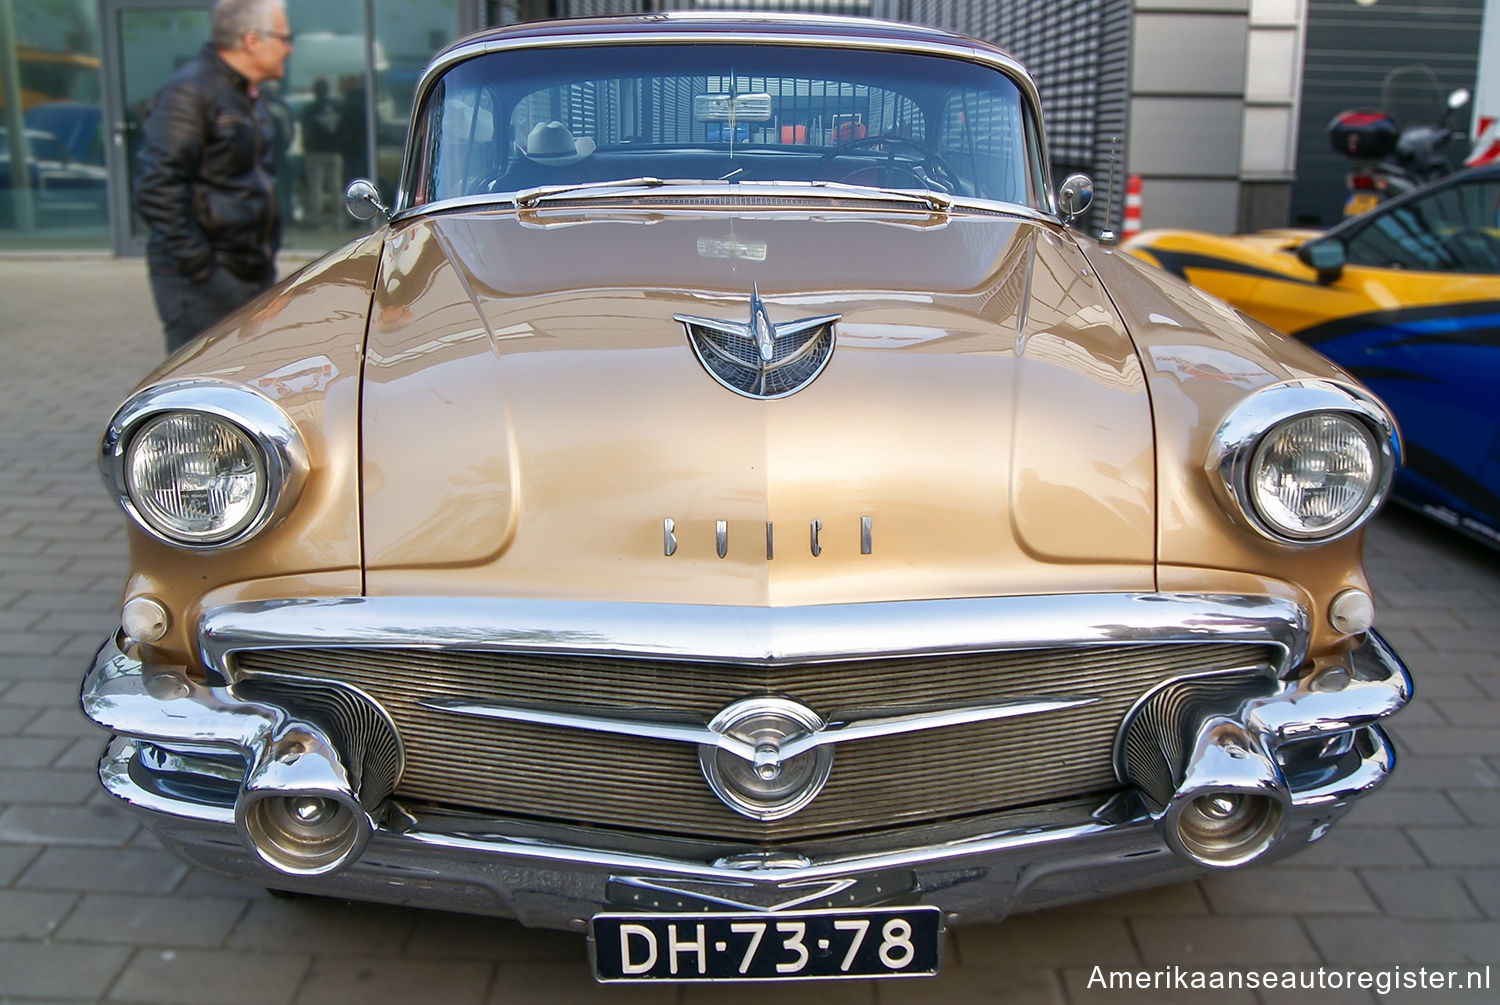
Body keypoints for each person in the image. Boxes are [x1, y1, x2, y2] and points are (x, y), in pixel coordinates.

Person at [135, 0, 293, 354]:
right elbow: (157, 189)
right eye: (284, 38)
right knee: (206, 390)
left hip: (248, 272)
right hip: (203, 281)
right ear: (252, 40)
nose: (289, 48)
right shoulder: (189, 92)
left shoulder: (247, 96)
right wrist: (204, 271)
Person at [299, 77, 342, 226]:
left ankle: (317, 217)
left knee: (316, 186)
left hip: (315, 152)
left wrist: (307, 147)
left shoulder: (310, 109)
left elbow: (305, 131)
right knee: (335, 186)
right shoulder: (336, 107)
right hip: (334, 151)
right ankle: (338, 218)